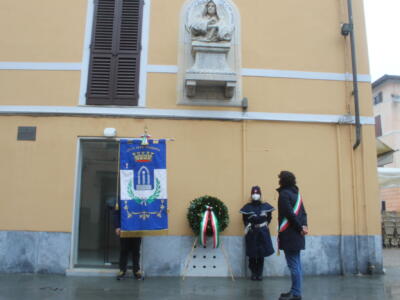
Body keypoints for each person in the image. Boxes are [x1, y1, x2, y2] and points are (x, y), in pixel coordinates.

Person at [277, 171, 308, 300]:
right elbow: (304, 213)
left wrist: (300, 227)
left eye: (280, 179)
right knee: (296, 264)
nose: (278, 181)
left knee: (294, 265)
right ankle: (295, 290)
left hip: (290, 234)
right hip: (298, 233)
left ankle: (296, 294)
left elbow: (289, 214)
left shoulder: (284, 194)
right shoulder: (297, 194)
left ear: (283, 181)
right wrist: (304, 227)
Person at [240, 186, 275, 280]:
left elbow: (269, 217)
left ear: (260, 194)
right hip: (252, 232)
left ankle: (259, 274)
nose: (255, 195)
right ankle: (253, 273)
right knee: (252, 253)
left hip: (263, 232)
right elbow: (244, 219)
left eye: (257, 193)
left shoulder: (265, 206)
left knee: (261, 254)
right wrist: (248, 226)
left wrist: (265, 224)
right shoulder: (247, 207)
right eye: (254, 193)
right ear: (251, 195)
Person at [113, 208, 143, 280]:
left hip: (137, 227)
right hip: (124, 227)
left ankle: (136, 271)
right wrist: (117, 226)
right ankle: (122, 270)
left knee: (136, 250)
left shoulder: (140, 197)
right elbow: (117, 213)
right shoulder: (121, 197)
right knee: (124, 250)